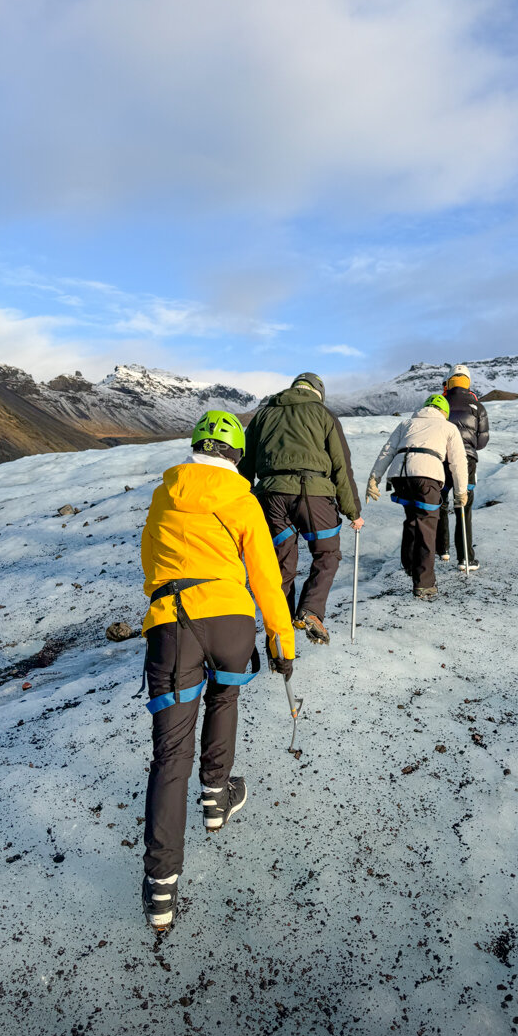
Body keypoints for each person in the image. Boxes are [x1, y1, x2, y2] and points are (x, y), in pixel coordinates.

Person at [139, 410, 295, 931]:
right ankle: (216, 799)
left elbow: (149, 560)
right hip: (231, 622)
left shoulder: (165, 494)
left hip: (173, 622)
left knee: (169, 754)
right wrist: (281, 638)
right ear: (236, 455)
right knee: (224, 700)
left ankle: (161, 890)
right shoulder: (243, 500)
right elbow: (266, 577)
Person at [239, 372, 364, 646]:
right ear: (318, 392)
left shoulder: (263, 415)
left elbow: (244, 464)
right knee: (327, 553)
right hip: (314, 496)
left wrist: (239, 502)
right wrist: (352, 511)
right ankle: (310, 610)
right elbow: (341, 466)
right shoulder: (324, 414)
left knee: (282, 564)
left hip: (271, 496)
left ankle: (280, 628)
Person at [365, 394, 468, 600]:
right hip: (427, 475)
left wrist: (374, 479)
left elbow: (387, 451)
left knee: (413, 517)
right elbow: (457, 462)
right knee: (427, 525)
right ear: (444, 412)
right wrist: (461, 492)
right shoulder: (448, 428)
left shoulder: (406, 423)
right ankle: (424, 584)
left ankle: (410, 565)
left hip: (401, 475)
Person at [436, 366, 490, 570]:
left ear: (448, 382)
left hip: (441, 459)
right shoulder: (478, 406)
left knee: (440, 500)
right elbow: (482, 441)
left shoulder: (441, 403)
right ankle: (466, 558)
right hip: (467, 461)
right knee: (463, 506)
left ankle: (442, 550)